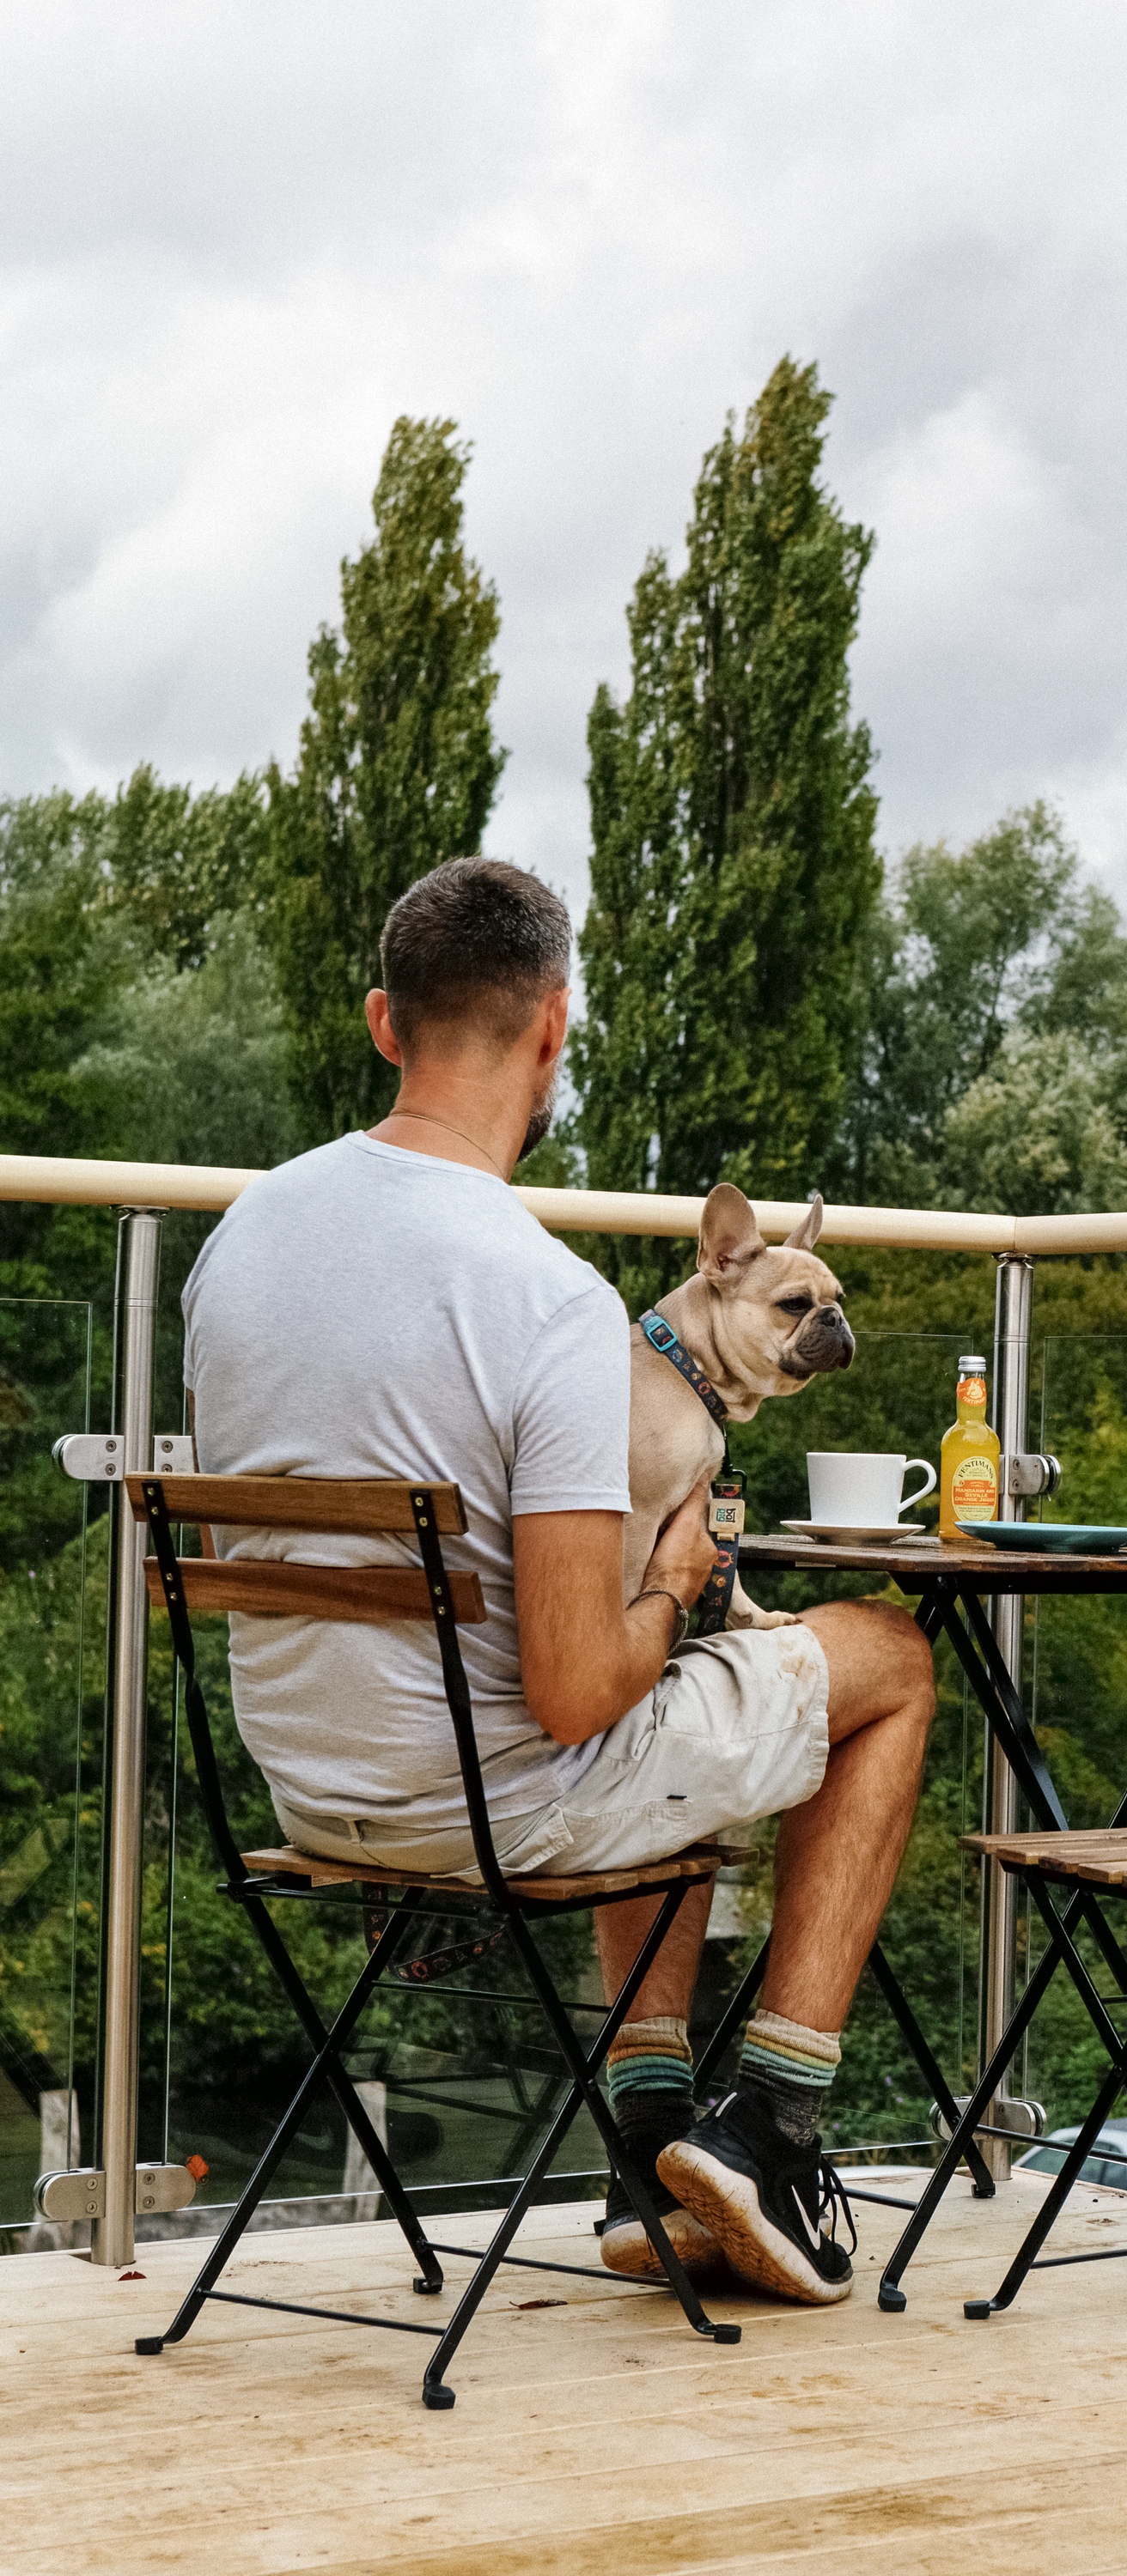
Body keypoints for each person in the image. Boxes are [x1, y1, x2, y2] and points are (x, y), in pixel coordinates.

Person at [181, 856, 935, 2307]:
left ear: (383, 1025)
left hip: (306, 1784)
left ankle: (647, 2140)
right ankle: (771, 2129)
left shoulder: (239, 1242)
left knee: (693, 1719)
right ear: (554, 1033)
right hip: (493, 1805)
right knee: (885, 1661)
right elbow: (582, 1685)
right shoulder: (551, 1301)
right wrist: (680, 1569)